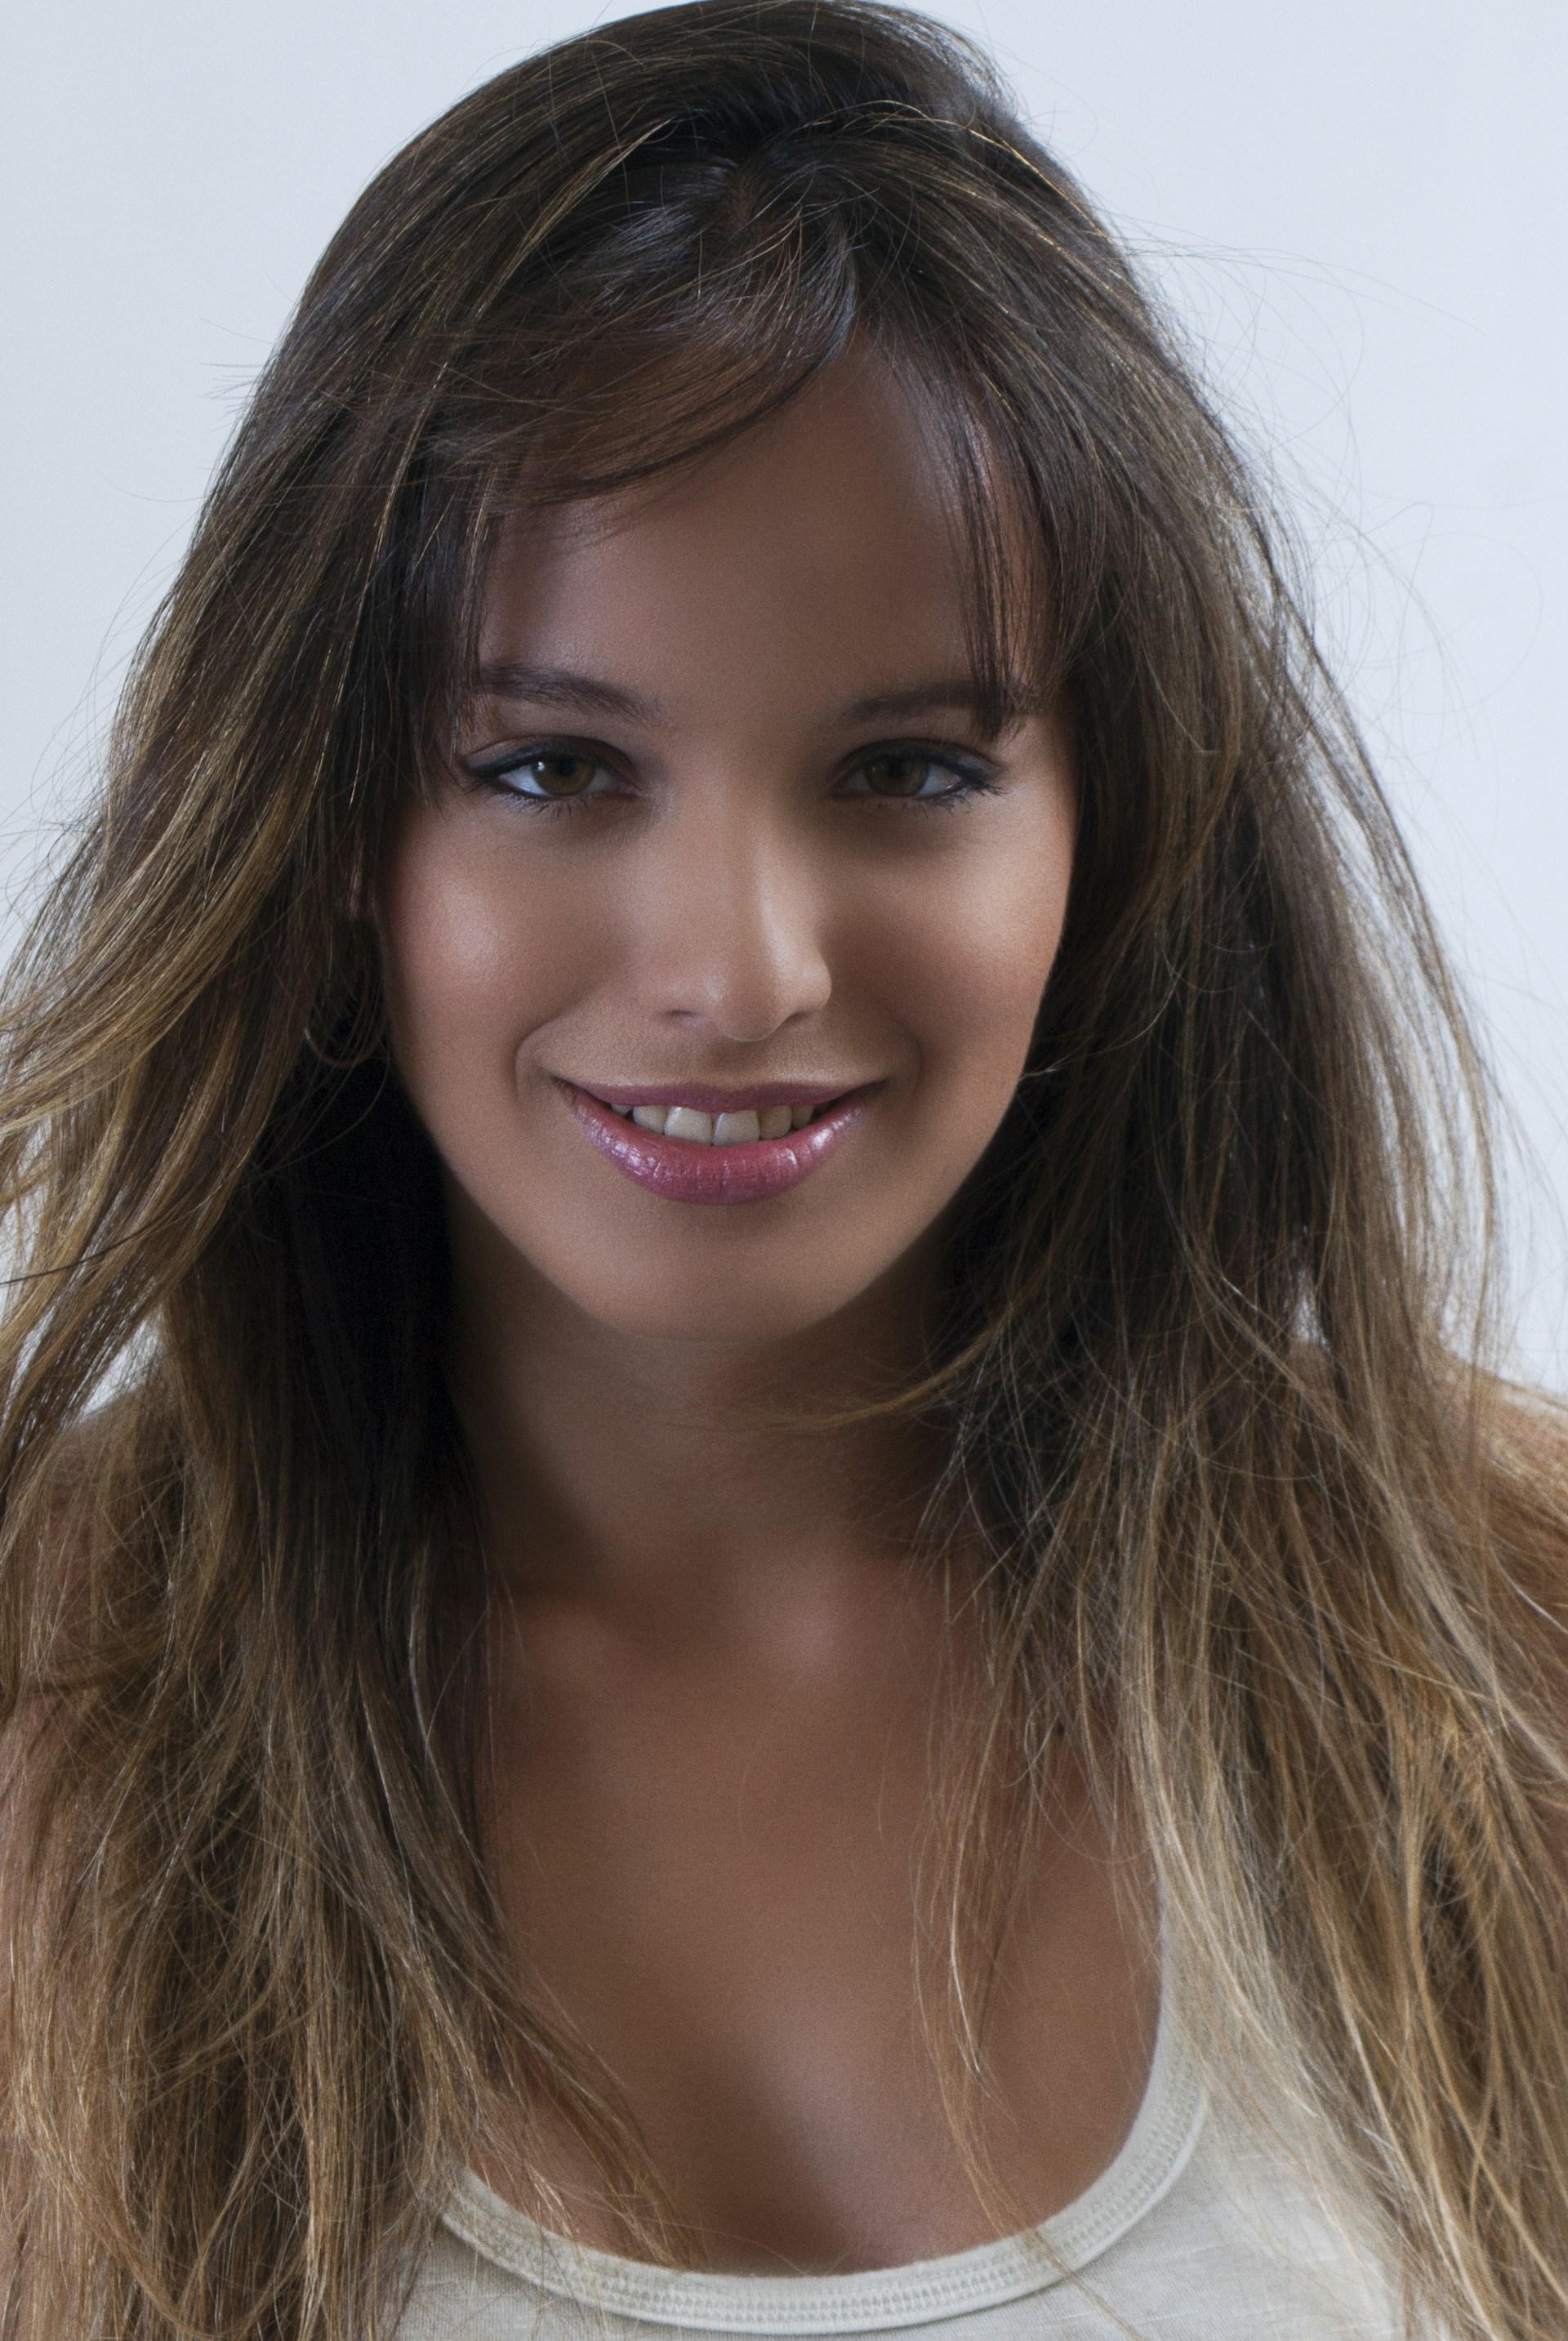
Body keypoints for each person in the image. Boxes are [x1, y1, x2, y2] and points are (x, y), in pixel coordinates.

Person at [0, 2, 1563, 2334]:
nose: (734, 968)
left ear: (1107, 826)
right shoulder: (53, 1699)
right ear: (330, 817)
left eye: (910, 769)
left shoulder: (1502, 1641)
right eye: (551, 771)